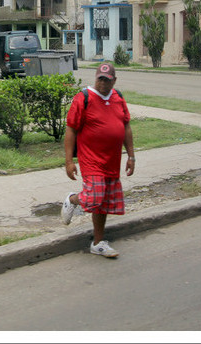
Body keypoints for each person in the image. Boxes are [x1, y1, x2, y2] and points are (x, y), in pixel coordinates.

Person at [62, 62, 135, 258]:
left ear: (114, 81)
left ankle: (98, 243)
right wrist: (69, 161)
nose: (103, 83)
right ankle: (72, 199)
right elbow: (71, 130)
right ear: (95, 77)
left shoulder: (118, 97)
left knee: (103, 202)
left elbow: (126, 127)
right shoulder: (83, 98)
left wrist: (131, 156)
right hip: (91, 159)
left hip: (112, 160)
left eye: (107, 80)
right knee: (95, 196)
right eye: (100, 79)